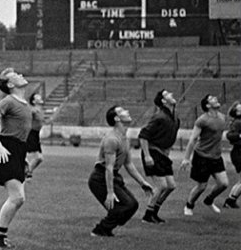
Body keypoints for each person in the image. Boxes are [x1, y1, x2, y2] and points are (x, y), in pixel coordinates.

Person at [0, 68, 34, 249]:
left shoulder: (24, 103)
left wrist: (23, 157)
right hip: (6, 149)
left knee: (19, 198)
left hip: (18, 150)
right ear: (11, 84)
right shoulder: (8, 101)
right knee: (17, 197)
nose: (21, 74)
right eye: (16, 75)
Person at [88, 106, 147, 237]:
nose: (127, 111)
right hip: (100, 178)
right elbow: (108, 167)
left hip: (113, 176)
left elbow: (128, 164)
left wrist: (142, 183)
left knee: (132, 205)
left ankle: (108, 226)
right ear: (117, 118)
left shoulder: (125, 138)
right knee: (125, 206)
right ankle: (100, 230)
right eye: (123, 111)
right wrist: (110, 193)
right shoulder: (112, 139)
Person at [180, 94, 230, 215]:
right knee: (201, 186)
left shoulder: (223, 117)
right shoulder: (202, 120)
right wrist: (186, 158)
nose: (216, 98)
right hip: (202, 156)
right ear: (208, 105)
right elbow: (193, 139)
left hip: (216, 157)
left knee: (224, 184)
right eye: (212, 98)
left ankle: (209, 200)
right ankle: (189, 205)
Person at [138, 90, 179, 224]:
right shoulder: (159, 117)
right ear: (163, 101)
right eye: (168, 94)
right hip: (152, 152)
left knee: (171, 186)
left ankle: (154, 212)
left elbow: (169, 138)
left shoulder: (175, 118)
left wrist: (167, 152)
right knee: (161, 185)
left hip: (162, 155)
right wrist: (148, 156)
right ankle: (147, 216)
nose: (172, 94)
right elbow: (143, 135)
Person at [224, 101, 241, 209]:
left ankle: (231, 200)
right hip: (239, 152)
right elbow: (229, 135)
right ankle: (230, 200)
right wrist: (239, 135)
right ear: (238, 112)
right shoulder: (237, 122)